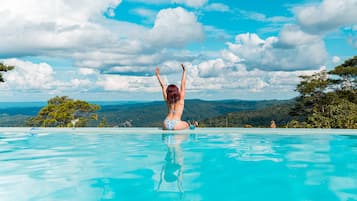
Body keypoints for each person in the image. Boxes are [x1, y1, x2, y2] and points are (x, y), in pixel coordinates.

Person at [155, 64, 198, 130]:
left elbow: (163, 86)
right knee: (187, 124)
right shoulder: (181, 99)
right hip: (177, 124)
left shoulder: (167, 100)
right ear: (177, 91)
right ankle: (192, 126)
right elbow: (183, 85)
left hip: (165, 123)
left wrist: (158, 75)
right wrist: (184, 71)